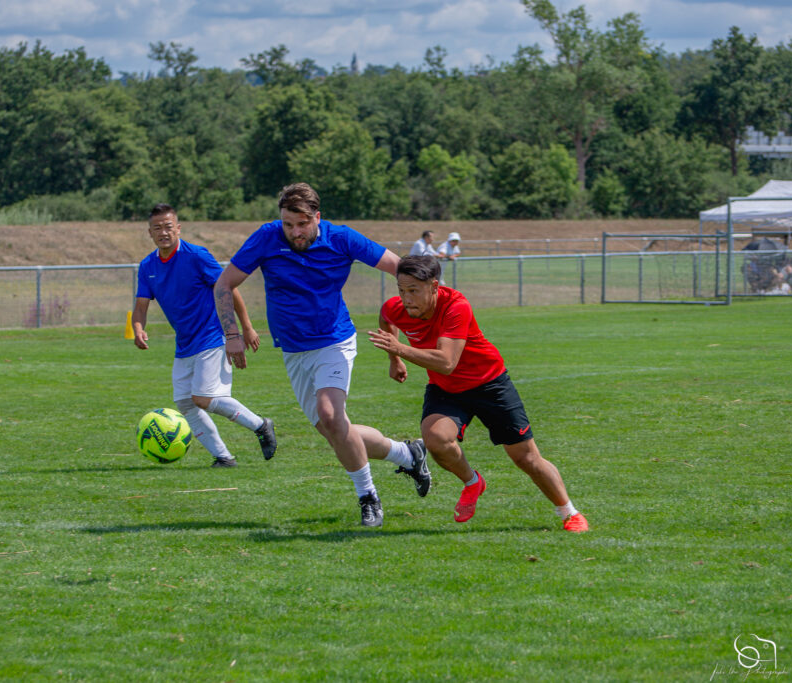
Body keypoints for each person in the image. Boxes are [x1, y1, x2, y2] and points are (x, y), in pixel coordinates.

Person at [213, 183, 431, 527]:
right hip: (295, 351)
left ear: (317, 217)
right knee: (337, 432)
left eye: (302, 224)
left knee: (331, 416)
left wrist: (435, 300)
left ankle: (368, 497)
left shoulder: (342, 238)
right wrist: (232, 333)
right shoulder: (266, 238)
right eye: (288, 224)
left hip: (334, 341)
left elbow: (400, 267)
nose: (294, 232)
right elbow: (224, 284)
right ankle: (408, 453)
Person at [367, 255, 589, 533]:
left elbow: (447, 361)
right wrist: (394, 360)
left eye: (414, 291)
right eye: (401, 290)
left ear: (434, 286)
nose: (406, 298)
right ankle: (473, 482)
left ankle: (570, 512)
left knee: (526, 458)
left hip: (490, 384)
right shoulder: (395, 308)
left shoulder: (455, 306)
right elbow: (386, 320)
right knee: (435, 439)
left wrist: (400, 351)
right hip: (446, 389)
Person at [133, 203, 277, 468]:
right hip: (185, 343)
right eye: (157, 228)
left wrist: (245, 327)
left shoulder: (196, 256)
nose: (163, 232)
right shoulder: (147, 266)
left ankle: (260, 425)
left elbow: (228, 288)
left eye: (168, 227)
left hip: (212, 336)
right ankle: (223, 457)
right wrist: (138, 328)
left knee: (203, 398)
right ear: (150, 233)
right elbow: (141, 305)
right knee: (186, 403)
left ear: (178, 228)